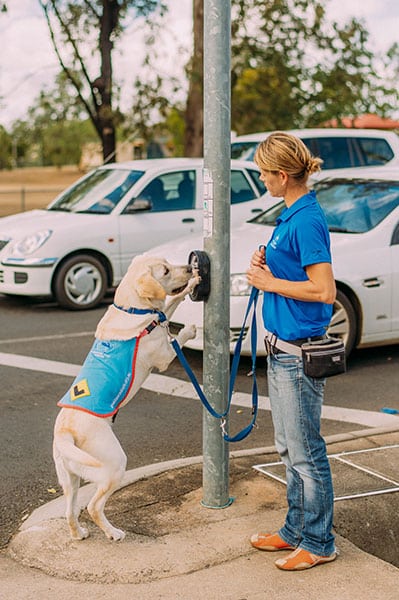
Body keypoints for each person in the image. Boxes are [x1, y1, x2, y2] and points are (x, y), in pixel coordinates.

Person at [246, 131, 337, 571]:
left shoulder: (305, 219)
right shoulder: (289, 215)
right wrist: (268, 264)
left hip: (299, 354)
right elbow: (295, 270)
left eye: (265, 174)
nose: (263, 180)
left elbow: (323, 290)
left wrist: (268, 282)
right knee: (288, 447)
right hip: (281, 350)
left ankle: (320, 543)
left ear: (282, 175)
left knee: (306, 452)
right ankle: (294, 531)